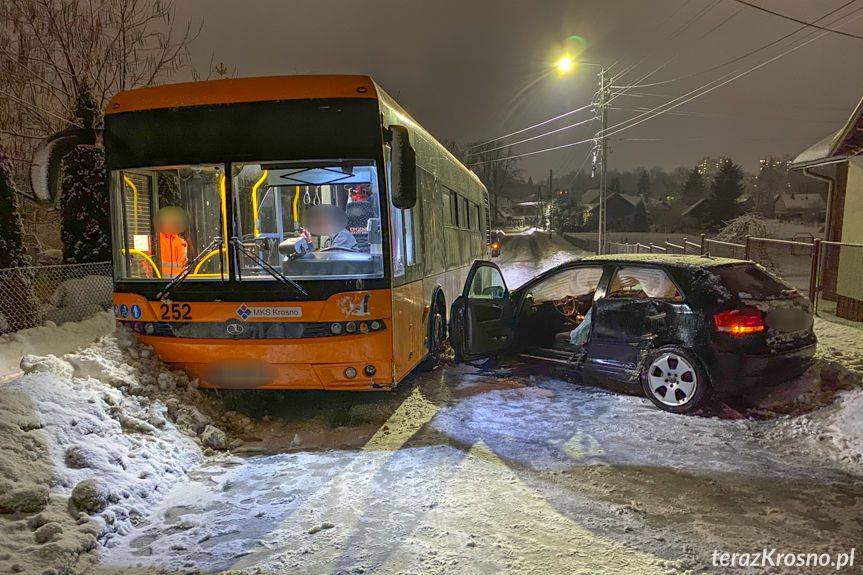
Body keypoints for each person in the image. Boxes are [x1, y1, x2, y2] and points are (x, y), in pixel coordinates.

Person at [155, 206, 189, 277]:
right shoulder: (156, 240)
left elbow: (184, 265)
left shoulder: (182, 243)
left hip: (177, 283)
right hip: (159, 283)